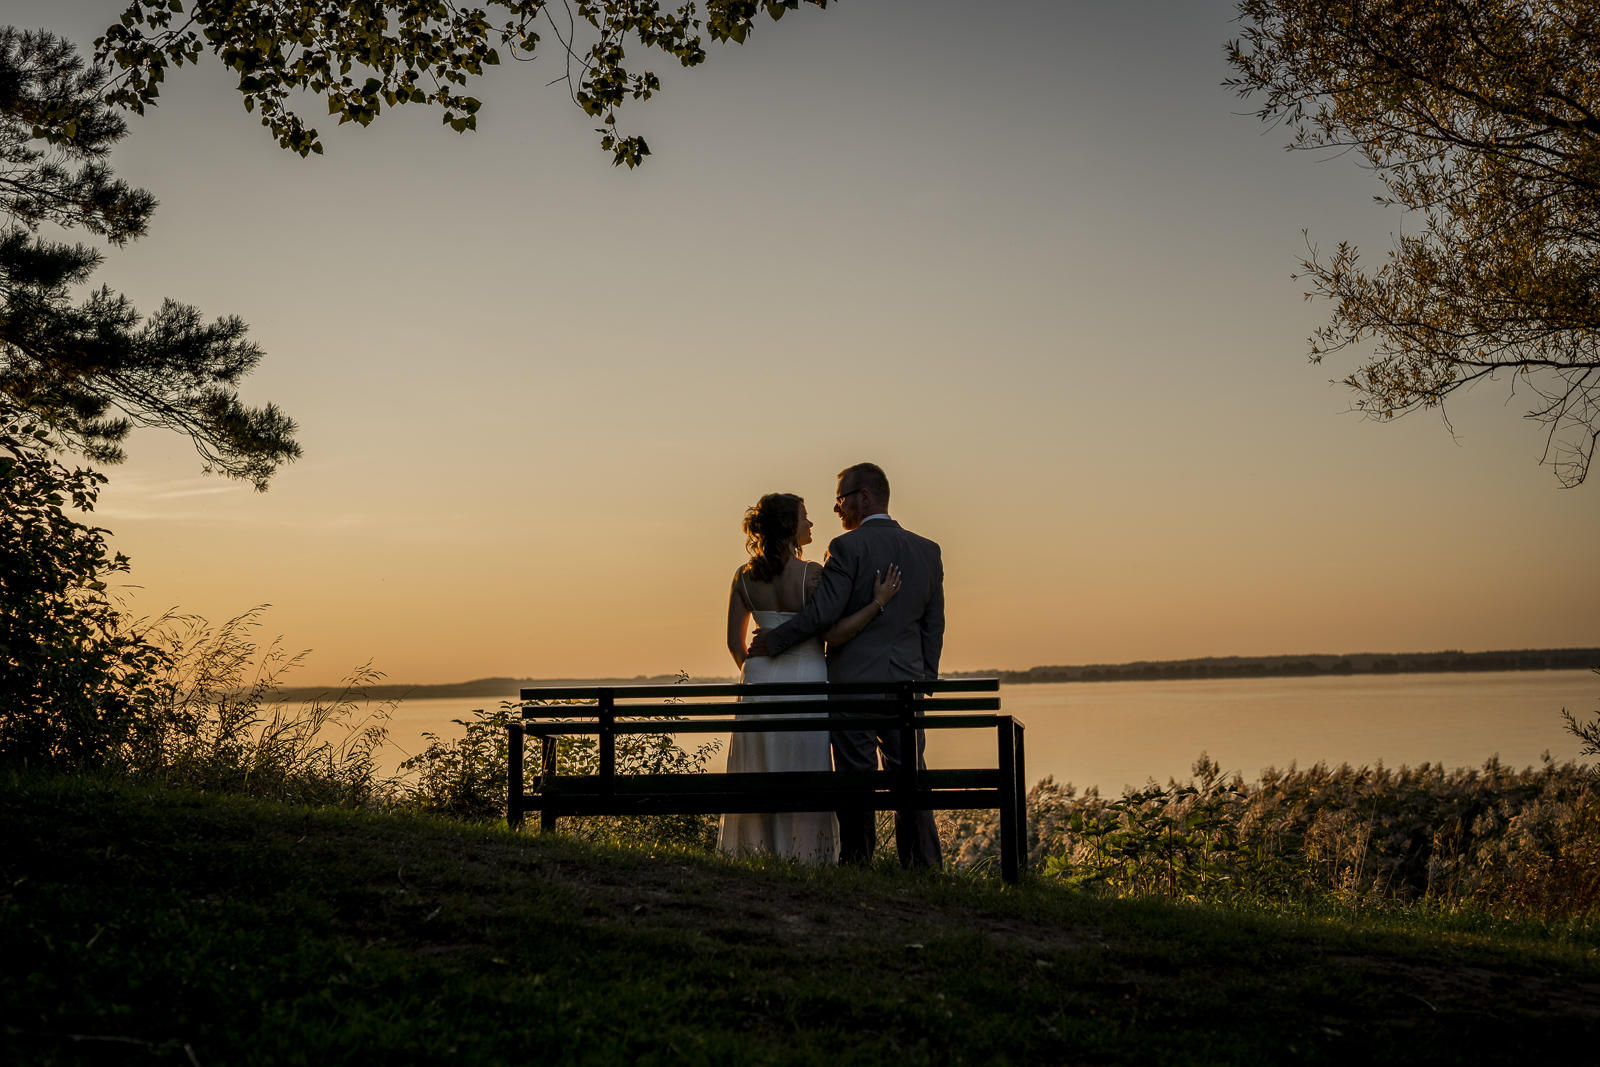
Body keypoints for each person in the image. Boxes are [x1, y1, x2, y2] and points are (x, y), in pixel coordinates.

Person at [747, 463, 945, 869]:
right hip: (906, 686)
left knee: (856, 778)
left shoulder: (846, 548)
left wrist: (775, 639)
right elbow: (933, 626)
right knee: (910, 774)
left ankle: (857, 863)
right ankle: (923, 866)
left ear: (864, 497)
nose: (837, 509)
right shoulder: (927, 550)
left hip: (853, 685)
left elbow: (822, 614)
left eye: (841, 500)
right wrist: (925, 679)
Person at [720, 491, 903, 862]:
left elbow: (734, 644)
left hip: (757, 684)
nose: (811, 523)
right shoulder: (812, 575)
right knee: (803, 765)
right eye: (805, 517)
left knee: (762, 768)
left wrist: (756, 676)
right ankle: (805, 853)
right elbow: (833, 633)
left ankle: (757, 851)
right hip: (806, 679)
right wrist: (878, 602)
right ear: (789, 526)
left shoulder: (743, 576)